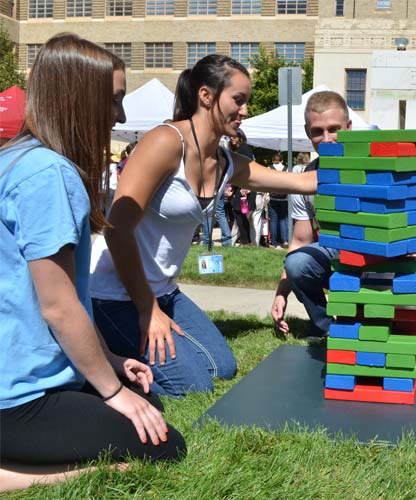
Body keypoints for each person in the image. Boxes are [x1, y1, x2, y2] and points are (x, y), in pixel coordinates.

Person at [0, 34, 185, 493]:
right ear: (79, 99)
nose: (120, 116)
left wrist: (109, 359)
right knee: (164, 445)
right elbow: (59, 307)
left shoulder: (17, 159)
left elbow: (68, 299)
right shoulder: (50, 174)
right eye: (115, 100)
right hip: (16, 399)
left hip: (22, 380)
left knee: (146, 399)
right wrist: (112, 390)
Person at [90, 54, 316, 396]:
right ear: (206, 96)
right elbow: (116, 229)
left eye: (246, 102)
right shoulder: (166, 142)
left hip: (165, 292)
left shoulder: (226, 162)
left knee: (221, 367)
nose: (244, 111)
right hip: (115, 294)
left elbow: (297, 182)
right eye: (237, 101)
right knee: (192, 387)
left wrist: (364, 168)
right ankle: (96, 361)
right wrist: (147, 310)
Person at [271, 91, 352, 338]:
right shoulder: (306, 177)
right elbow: (299, 242)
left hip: (376, 259)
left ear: (349, 127)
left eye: (334, 129)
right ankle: (326, 328)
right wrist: (281, 293)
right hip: (335, 257)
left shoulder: (373, 166)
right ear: (308, 133)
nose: (326, 139)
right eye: (318, 131)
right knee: (297, 262)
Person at [268, 153, 289, 249]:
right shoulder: (286, 169)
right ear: (282, 160)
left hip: (273, 198)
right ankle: (285, 240)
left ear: (273, 160)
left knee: (273, 220)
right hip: (284, 198)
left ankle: (274, 242)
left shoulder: (269, 168)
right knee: (283, 220)